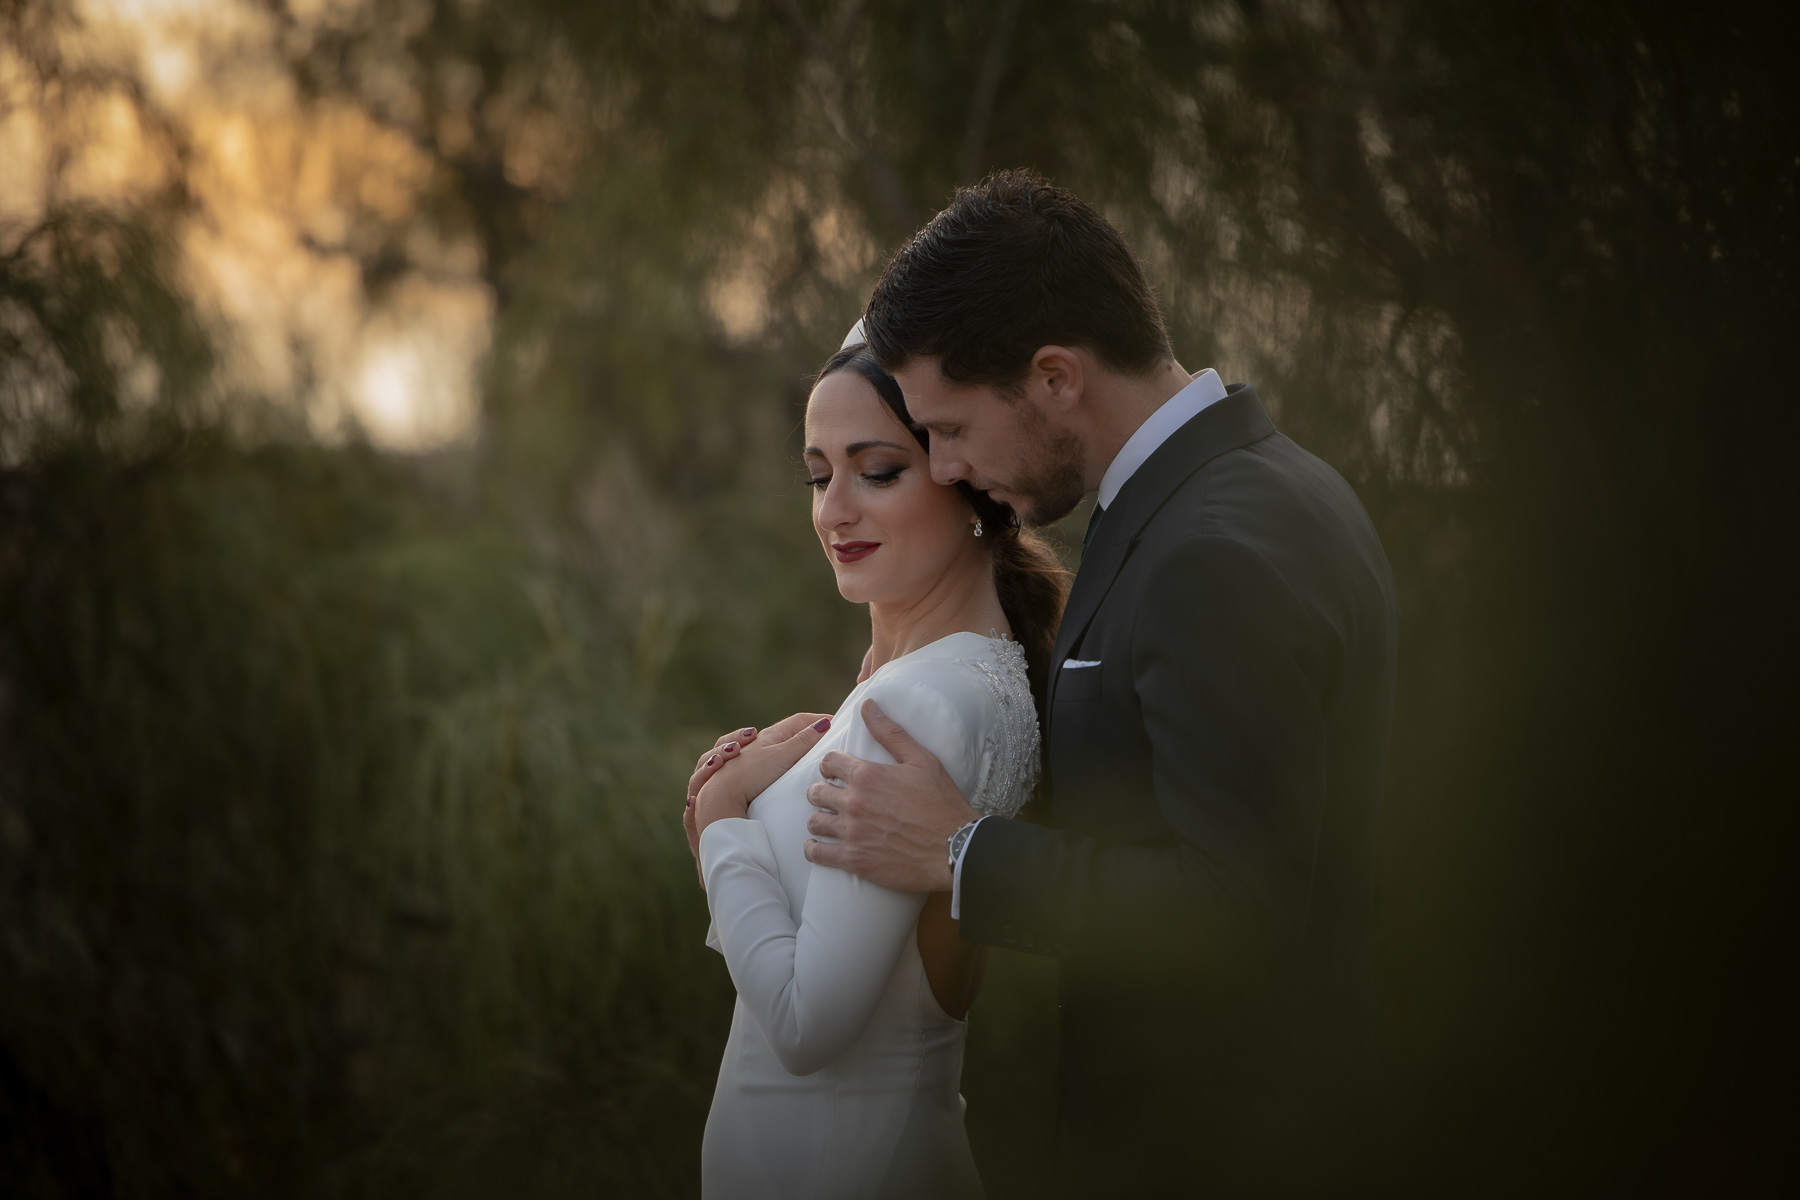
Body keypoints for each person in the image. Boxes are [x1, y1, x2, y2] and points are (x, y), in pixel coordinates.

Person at [799, 170, 1400, 1194]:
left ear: (1055, 378)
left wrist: (962, 852)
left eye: (950, 429)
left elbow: (1236, 907)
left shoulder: (1210, 553)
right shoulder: (1262, 486)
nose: (944, 468)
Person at [682, 339, 1070, 1199]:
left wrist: (723, 818)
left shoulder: (915, 705)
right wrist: (737, 847)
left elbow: (805, 1026)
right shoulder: (952, 679)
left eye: (879, 472)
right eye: (819, 476)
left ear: (969, 482)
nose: (833, 512)